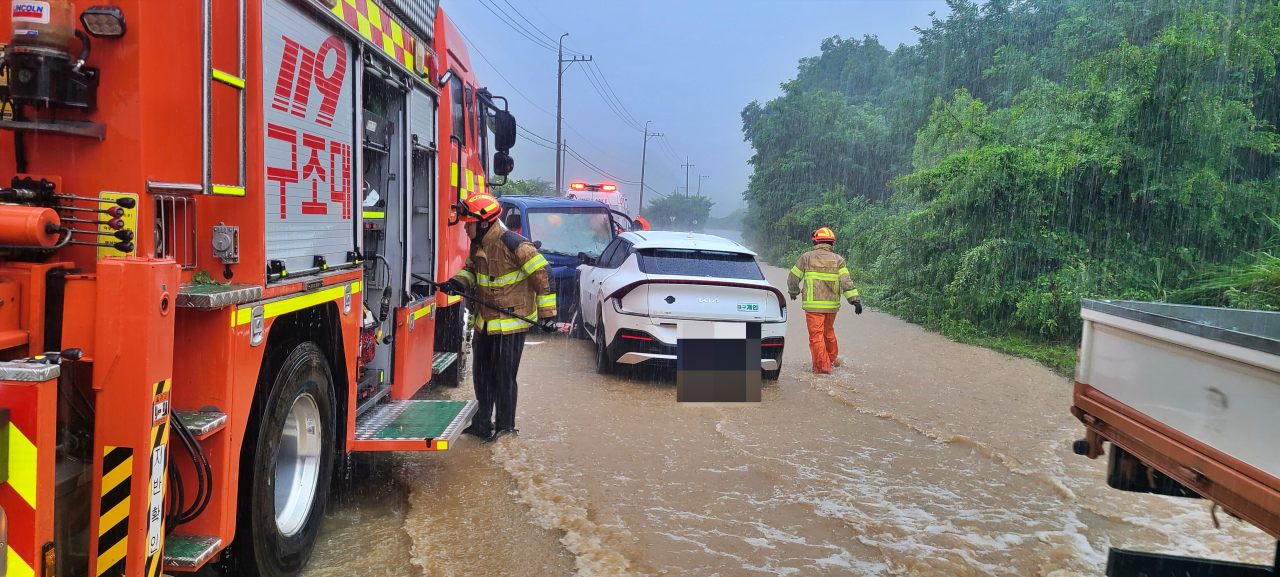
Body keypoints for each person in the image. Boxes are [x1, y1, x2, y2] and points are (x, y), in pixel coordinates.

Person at [439, 193, 556, 442]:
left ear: (483, 223)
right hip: (485, 322)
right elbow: (471, 271)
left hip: (511, 324)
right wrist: (456, 284)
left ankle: (505, 429)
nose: (465, 229)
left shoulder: (515, 245)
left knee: (504, 377)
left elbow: (543, 276)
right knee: (482, 375)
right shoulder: (478, 245)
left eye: (468, 224)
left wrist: (548, 316)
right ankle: (482, 424)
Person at [787, 227, 862, 374]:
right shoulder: (838, 260)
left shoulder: (806, 257)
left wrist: (793, 292)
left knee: (816, 336)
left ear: (815, 241)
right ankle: (832, 360)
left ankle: (823, 369)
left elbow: (793, 277)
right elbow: (846, 282)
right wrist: (855, 301)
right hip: (831, 306)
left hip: (813, 306)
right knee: (828, 333)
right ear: (831, 243)